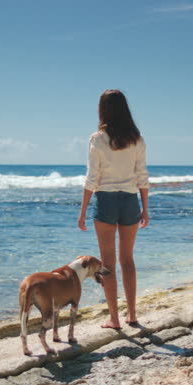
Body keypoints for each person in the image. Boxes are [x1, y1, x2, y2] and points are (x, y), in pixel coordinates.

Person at [78, 89, 149, 330]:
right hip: (130, 201)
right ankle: (131, 315)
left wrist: (83, 210)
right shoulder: (136, 138)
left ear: (103, 109)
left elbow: (92, 178)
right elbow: (142, 176)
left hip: (106, 201)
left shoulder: (97, 138)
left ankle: (114, 319)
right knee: (128, 260)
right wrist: (146, 208)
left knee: (107, 263)